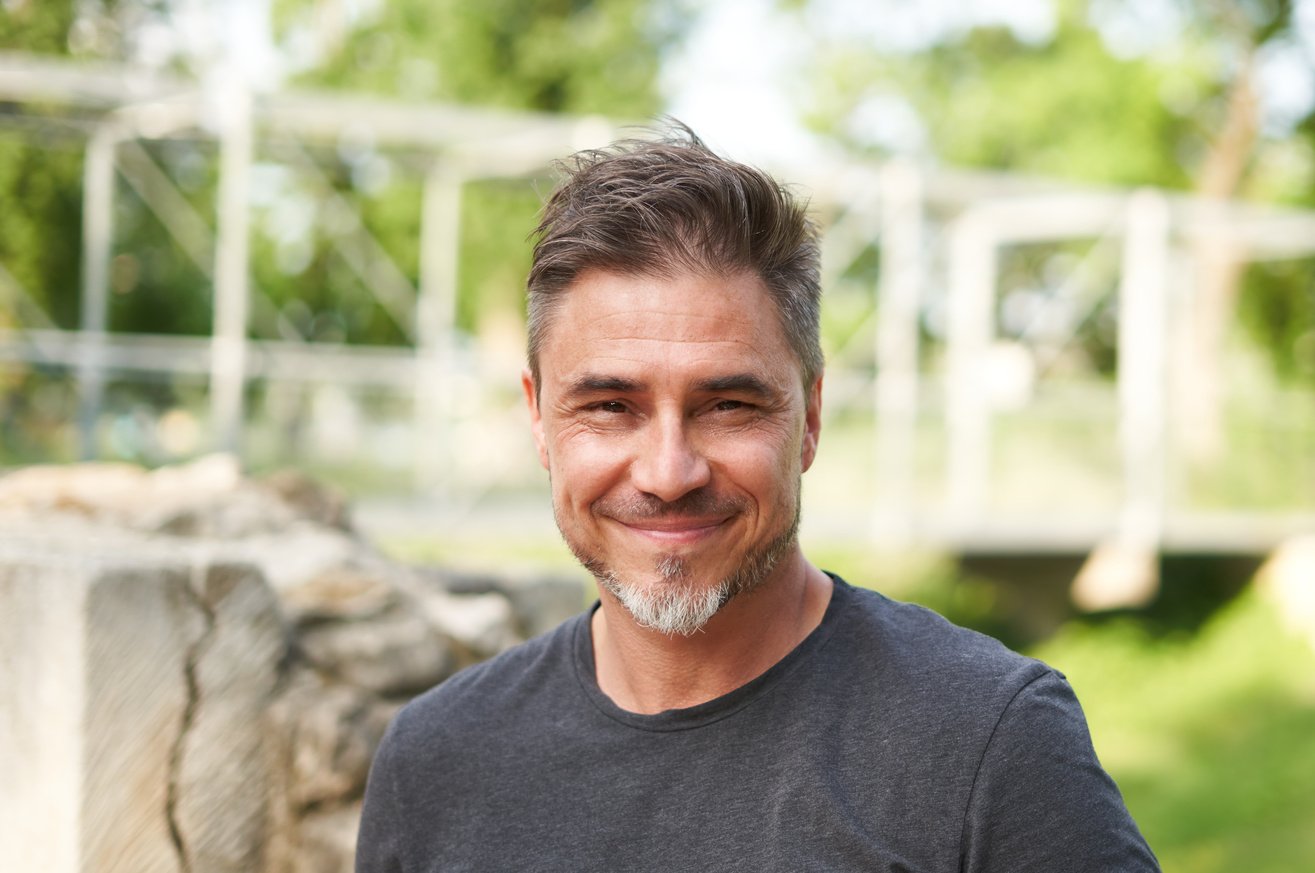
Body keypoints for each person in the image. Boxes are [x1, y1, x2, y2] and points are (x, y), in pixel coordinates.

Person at [356, 123, 1160, 872]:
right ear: (537, 418)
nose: (668, 472)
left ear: (808, 417)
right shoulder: (434, 760)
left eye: (728, 405)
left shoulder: (991, 743)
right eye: (609, 406)